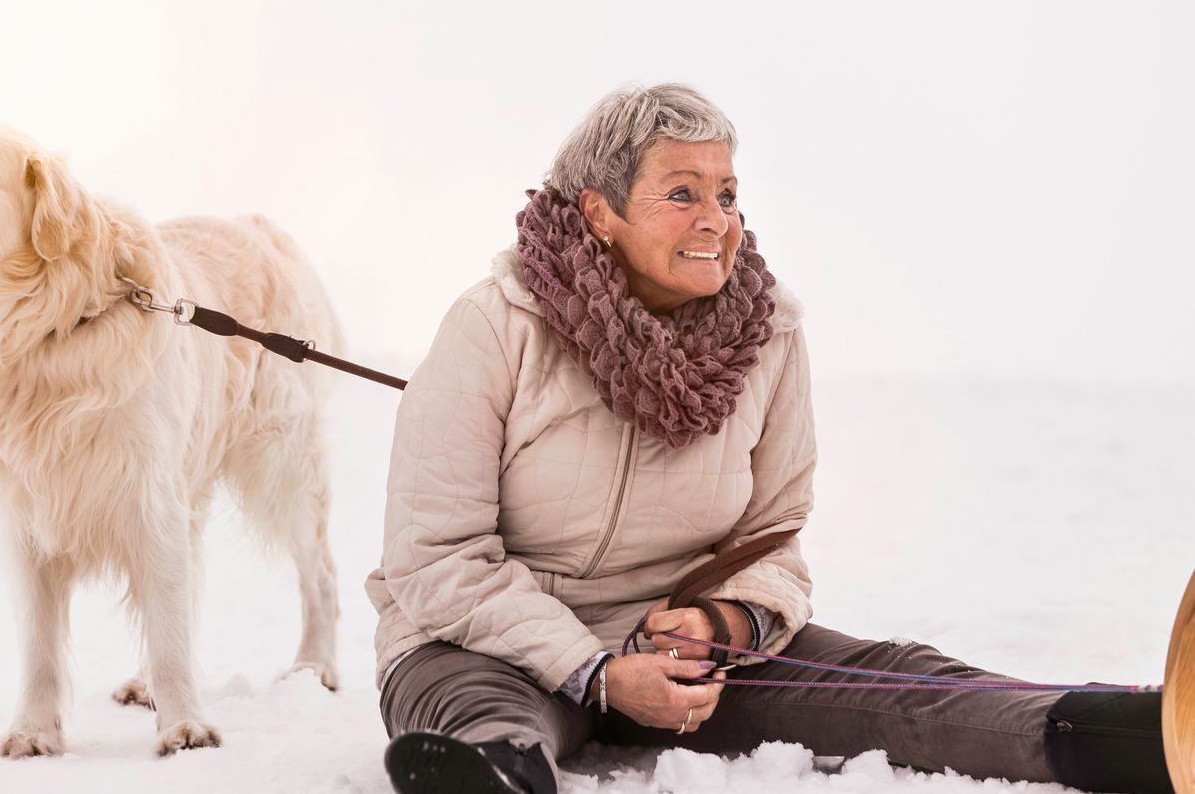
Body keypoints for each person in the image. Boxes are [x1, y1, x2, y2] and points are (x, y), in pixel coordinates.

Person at [365, 84, 1172, 794]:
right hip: (492, 645)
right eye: (682, 193)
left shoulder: (769, 333)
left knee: (903, 685)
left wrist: (725, 626)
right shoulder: (495, 324)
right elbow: (436, 557)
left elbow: (774, 535)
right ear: (598, 213)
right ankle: (492, 776)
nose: (716, 220)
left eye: (726, 192)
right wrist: (598, 674)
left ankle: (1151, 736)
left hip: (681, 653)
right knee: (482, 712)